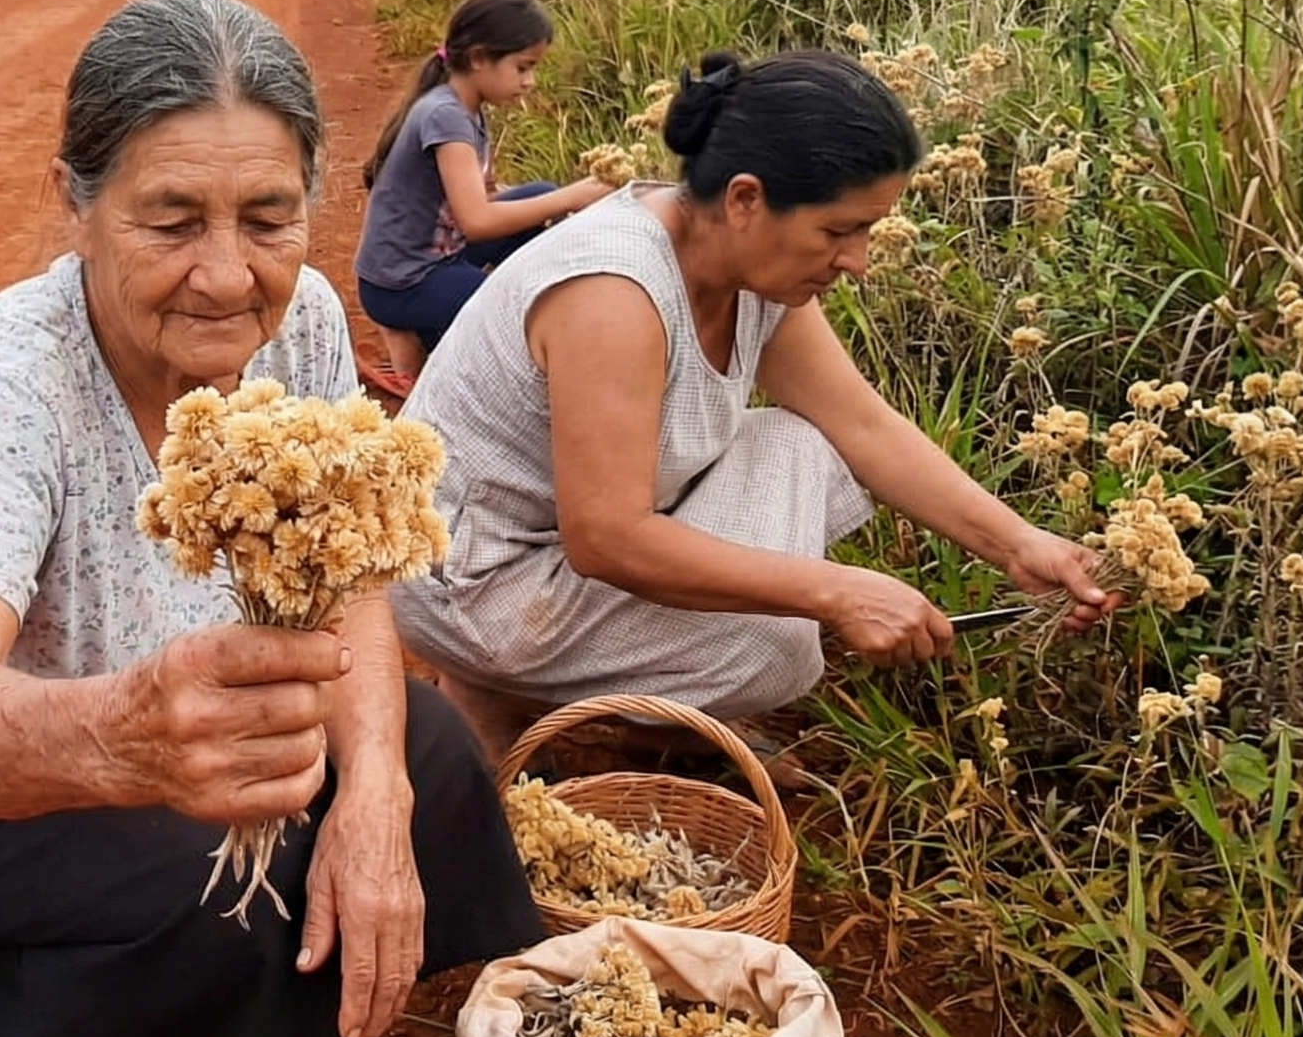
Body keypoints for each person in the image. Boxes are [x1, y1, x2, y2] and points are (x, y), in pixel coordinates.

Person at [0, 0, 541, 1037]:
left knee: (424, 750)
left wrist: (372, 801)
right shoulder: (5, 386)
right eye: (172, 219)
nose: (229, 278)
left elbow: (353, 581)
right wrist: (127, 736)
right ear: (75, 206)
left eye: (269, 218)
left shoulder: (307, 325)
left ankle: (282, 966)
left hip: (159, 722)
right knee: (221, 891)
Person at [391, 49, 1118, 756]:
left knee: (809, 445)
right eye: (839, 231)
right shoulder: (612, 293)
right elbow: (606, 537)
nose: (859, 261)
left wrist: (1023, 545)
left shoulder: (750, 270)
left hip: (562, 551)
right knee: (776, 648)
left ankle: (637, 700)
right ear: (745, 199)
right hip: (476, 584)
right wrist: (836, 593)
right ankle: (503, 685)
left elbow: (863, 425)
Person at [354, 0, 613, 376]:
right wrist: (573, 197)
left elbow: (485, 197)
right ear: (478, 58)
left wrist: (560, 199)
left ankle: (439, 330)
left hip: (436, 256)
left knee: (541, 197)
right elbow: (478, 221)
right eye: (523, 67)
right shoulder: (446, 116)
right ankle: (423, 336)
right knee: (495, 303)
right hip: (401, 282)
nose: (531, 82)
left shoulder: (466, 108)